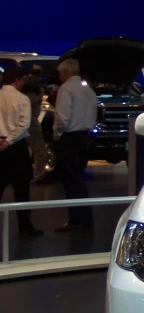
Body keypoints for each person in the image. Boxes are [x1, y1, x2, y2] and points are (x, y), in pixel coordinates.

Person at [53, 59, 97, 232]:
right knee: (79, 179)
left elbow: (62, 116)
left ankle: (76, 220)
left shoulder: (66, 89)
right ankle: (86, 218)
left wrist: (57, 135)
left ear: (65, 72)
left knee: (72, 182)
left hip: (70, 139)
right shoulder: (89, 90)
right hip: (85, 138)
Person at [0, 66, 43, 237]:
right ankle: (25, 227)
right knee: (22, 190)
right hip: (16, 148)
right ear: (17, 80)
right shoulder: (22, 99)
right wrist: (9, 140)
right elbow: (24, 124)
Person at [21, 67, 47, 181]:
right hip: (30, 121)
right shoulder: (32, 87)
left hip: (21, 121)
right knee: (40, 150)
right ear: (40, 75)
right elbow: (32, 100)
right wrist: (41, 95)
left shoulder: (23, 84)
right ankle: (39, 175)